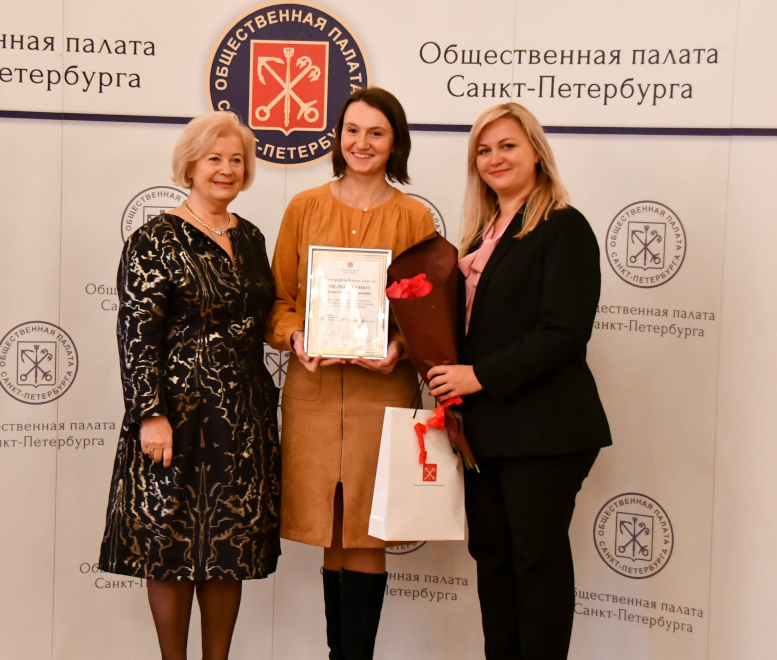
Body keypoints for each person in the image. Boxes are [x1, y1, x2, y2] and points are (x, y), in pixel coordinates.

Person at [427, 102, 612, 660]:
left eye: (507, 145)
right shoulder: (479, 236)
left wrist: (478, 375)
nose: (495, 158)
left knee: (536, 564)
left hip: (545, 429)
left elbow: (564, 332)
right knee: (495, 561)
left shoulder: (563, 226)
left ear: (535, 151)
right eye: (483, 150)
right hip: (486, 431)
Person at [99, 111, 281, 660]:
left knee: (229, 547)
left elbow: (263, 318)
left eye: (236, 160)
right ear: (190, 166)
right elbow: (136, 334)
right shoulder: (154, 238)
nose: (226, 169)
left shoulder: (251, 237)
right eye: (214, 159)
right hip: (175, 419)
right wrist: (150, 414)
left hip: (241, 420)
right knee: (170, 545)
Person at [265, 87, 436, 660]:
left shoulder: (414, 217)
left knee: (368, 529)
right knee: (332, 528)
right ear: (337, 137)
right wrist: (296, 336)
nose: (362, 143)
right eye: (352, 130)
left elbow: (426, 313)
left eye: (376, 133)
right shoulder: (303, 206)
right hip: (313, 394)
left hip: (381, 395)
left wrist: (400, 347)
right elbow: (278, 301)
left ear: (395, 143)